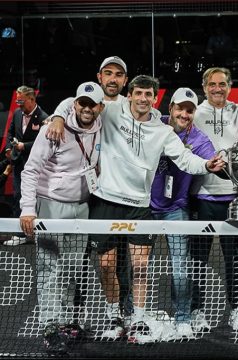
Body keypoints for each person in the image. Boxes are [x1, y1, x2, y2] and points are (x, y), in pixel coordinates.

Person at [47, 75, 224, 344]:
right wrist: (59, 117)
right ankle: (113, 316)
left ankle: (139, 319)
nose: (143, 98)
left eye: (148, 94)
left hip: (139, 206)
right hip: (106, 200)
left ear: (155, 99)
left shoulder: (163, 130)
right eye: (138, 93)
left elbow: (185, 159)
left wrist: (206, 166)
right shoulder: (112, 110)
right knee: (107, 266)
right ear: (129, 95)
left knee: (140, 267)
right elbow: (78, 102)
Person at [19, 81, 104, 354]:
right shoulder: (52, 130)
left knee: (72, 268)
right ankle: (49, 326)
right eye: (82, 103)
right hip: (52, 205)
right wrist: (27, 209)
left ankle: (66, 321)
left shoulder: (100, 125)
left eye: (93, 104)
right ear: (74, 104)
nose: (87, 109)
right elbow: (30, 170)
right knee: (50, 270)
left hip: (82, 206)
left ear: (100, 107)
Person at [50, 56, 133, 327]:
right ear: (99, 77)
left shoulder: (131, 105)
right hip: (91, 196)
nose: (112, 78)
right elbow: (65, 104)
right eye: (107, 73)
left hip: (120, 195)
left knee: (121, 261)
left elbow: (157, 116)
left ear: (125, 80)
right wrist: (58, 117)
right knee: (82, 261)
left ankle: (124, 313)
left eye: (118, 74)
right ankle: (77, 314)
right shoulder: (89, 102)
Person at [150, 87, 216, 339]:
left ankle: (183, 318)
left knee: (181, 269)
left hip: (176, 209)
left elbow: (211, 159)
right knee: (141, 266)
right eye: (180, 108)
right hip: (146, 208)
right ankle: (137, 315)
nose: (184, 114)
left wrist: (218, 163)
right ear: (170, 109)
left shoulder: (199, 140)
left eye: (189, 110)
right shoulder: (155, 124)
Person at [189, 67, 238, 332]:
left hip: (233, 196)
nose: (217, 88)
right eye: (212, 84)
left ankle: (237, 310)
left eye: (222, 84)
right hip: (202, 197)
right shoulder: (195, 112)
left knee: (233, 258)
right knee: (198, 258)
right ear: (204, 87)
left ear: (229, 85)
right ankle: (197, 311)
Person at [5, 85, 48, 245]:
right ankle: (20, 235)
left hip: (38, 166)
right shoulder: (17, 114)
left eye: (22, 101)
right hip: (18, 164)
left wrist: (25, 146)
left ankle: (40, 234)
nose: (19, 105)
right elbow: (10, 133)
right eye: (17, 101)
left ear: (32, 99)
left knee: (39, 199)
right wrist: (10, 147)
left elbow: (44, 142)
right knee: (18, 197)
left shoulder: (44, 118)